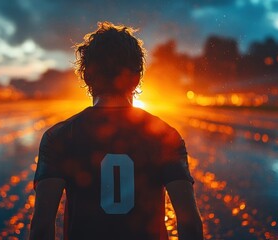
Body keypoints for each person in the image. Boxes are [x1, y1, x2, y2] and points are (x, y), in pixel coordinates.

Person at [29, 21, 203, 240]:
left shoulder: (58, 137)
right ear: (137, 77)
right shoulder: (165, 135)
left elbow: (41, 227)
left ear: (86, 77)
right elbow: (191, 226)